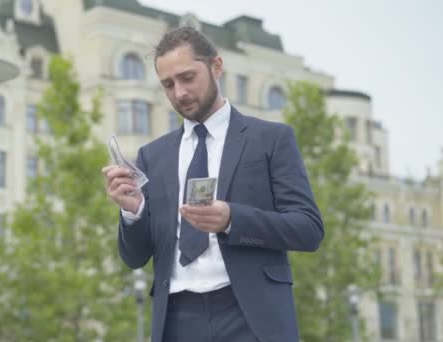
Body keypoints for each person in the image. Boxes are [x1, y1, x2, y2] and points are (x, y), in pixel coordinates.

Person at [102, 26, 324, 342]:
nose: (179, 92)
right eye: (168, 84)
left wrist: (233, 220)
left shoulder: (271, 140)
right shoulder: (153, 156)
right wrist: (133, 211)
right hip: (177, 320)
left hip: (251, 316)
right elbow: (135, 257)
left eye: (187, 77)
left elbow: (308, 229)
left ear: (216, 67)